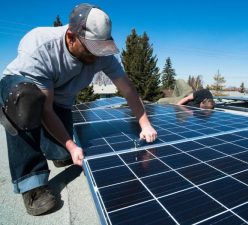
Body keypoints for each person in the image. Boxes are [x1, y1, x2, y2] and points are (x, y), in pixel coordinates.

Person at [0, 3, 157, 216]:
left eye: (100, 49)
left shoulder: (102, 55)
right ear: (72, 37)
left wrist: (145, 124)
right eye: (91, 49)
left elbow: (128, 90)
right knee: (27, 101)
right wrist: (72, 145)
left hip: (59, 99)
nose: (96, 56)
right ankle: (31, 183)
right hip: (22, 90)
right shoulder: (40, 44)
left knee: (61, 153)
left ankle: (54, 148)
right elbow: (46, 109)